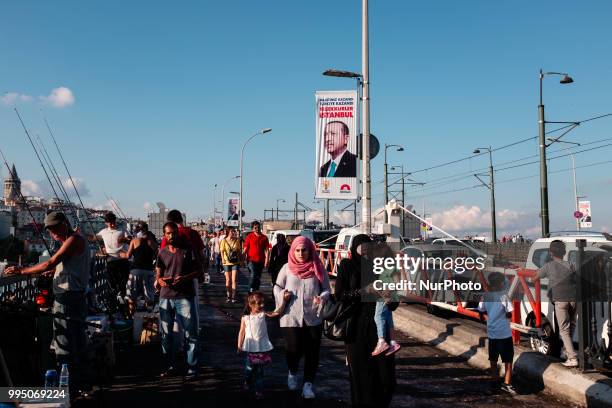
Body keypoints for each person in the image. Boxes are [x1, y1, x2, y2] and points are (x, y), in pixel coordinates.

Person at [6, 211, 91, 392]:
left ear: (65, 224)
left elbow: (49, 262)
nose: (54, 234)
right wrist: (55, 273)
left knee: (65, 346)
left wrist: (22, 270)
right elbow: (69, 265)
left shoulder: (73, 240)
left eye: (56, 229)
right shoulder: (76, 239)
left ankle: (68, 389)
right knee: (77, 342)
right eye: (50, 231)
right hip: (76, 297)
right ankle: (81, 385)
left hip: (68, 298)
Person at [334, 234, 396, 408]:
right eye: (362, 247)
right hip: (356, 329)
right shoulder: (347, 265)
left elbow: (393, 300)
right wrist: (364, 291)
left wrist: (392, 299)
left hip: (380, 330)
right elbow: (340, 295)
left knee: (386, 380)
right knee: (361, 379)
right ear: (355, 248)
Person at [273, 236, 331, 399]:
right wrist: (281, 295)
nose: (300, 253)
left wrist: (322, 297)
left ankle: (308, 384)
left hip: (313, 317)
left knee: (312, 351)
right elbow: (277, 286)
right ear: (293, 251)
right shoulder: (287, 268)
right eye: (297, 250)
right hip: (291, 317)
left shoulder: (318, 266)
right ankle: (292, 371)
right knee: (294, 349)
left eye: (304, 250)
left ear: (310, 250)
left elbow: (326, 288)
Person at [155, 222, 201, 379]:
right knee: (166, 334)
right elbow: (158, 274)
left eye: (173, 233)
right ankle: (169, 366)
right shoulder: (161, 253)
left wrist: (184, 278)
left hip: (184, 296)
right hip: (165, 297)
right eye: (168, 233)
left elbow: (198, 271)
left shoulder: (187, 250)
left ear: (177, 233)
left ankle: (192, 368)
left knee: (191, 333)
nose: (171, 236)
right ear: (164, 235)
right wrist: (161, 281)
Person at [237, 290, 291, 399]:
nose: (262, 305)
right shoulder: (245, 317)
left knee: (260, 371)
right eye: (259, 303)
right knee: (249, 369)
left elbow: (277, 312)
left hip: (261, 347)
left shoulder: (263, 314)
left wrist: (284, 301)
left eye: (262, 303)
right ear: (251, 304)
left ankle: (259, 390)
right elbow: (241, 332)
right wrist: (239, 346)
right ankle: (247, 380)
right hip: (250, 347)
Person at [537, 240, 577, 367]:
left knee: (564, 330)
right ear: (564, 252)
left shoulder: (549, 266)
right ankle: (566, 352)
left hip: (560, 300)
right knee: (572, 325)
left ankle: (572, 357)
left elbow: (535, 277)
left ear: (551, 253)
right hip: (573, 299)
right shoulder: (570, 264)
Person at [477, 272, 516, 394]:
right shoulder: (504, 297)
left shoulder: (485, 296)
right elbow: (510, 312)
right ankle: (507, 383)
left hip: (492, 333)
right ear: (500, 284)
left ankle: (494, 380)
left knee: (493, 359)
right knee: (508, 360)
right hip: (504, 334)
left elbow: (481, 309)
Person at [370, 244, 401, 357]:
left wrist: (389, 293)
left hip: (386, 296)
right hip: (388, 295)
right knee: (388, 318)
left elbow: (397, 283)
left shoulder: (389, 268)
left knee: (378, 316)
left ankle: (381, 341)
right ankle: (393, 342)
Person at [97, 212, 130, 299]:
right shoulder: (103, 232)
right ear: (106, 223)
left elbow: (131, 240)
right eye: (109, 222)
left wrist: (124, 240)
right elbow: (94, 238)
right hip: (110, 260)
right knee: (112, 281)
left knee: (123, 281)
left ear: (115, 221)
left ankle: (123, 298)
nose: (111, 224)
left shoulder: (122, 229)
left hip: (122, 259)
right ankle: (116, 298)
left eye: (113, 222)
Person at [125, 226, 157, 315]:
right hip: (149, 271)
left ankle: (131, 316)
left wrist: (120, 254)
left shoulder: (134, 241)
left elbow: (128, 255)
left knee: (131, 295)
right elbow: (157, 256)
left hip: (135, 270)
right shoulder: (152, 243)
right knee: (149, 296)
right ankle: (149, 317)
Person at [243, 221, 269, 292]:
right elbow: (245, 248)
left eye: (258, 227)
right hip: (251, 260)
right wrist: (242, 258)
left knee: (258, 277)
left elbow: (267, 250)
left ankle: (256, 291)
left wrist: (267, 260)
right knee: (253, 275)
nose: (257, 229)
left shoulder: (264, 238)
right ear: (253, 228)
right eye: (255, 228)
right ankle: (250, 290)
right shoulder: (249, 236)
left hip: (261, 260)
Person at [221, 226, 242, 303]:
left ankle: (233, 297)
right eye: (231, 231)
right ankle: (228, 295)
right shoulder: (224, 241)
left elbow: (239, 251)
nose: (233, 233)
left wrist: (241, 260)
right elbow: (222, 251)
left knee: (234, 280)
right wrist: (222, 259)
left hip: (235, 262)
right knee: (228, 280)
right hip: (226, 262)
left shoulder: (237, 240)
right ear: (228, 232)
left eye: (234, 231)